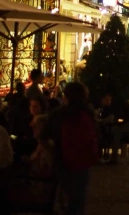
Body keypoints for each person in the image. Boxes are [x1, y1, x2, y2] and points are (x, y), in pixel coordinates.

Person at [43, 82, 99, 215]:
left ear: (66, 96)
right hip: (83, 163)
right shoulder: (89, 113)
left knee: (61, 200)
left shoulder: (58, 114)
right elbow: (97, 135)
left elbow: (43, 137)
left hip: (62, 162)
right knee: (78, 201)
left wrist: (53, 151)